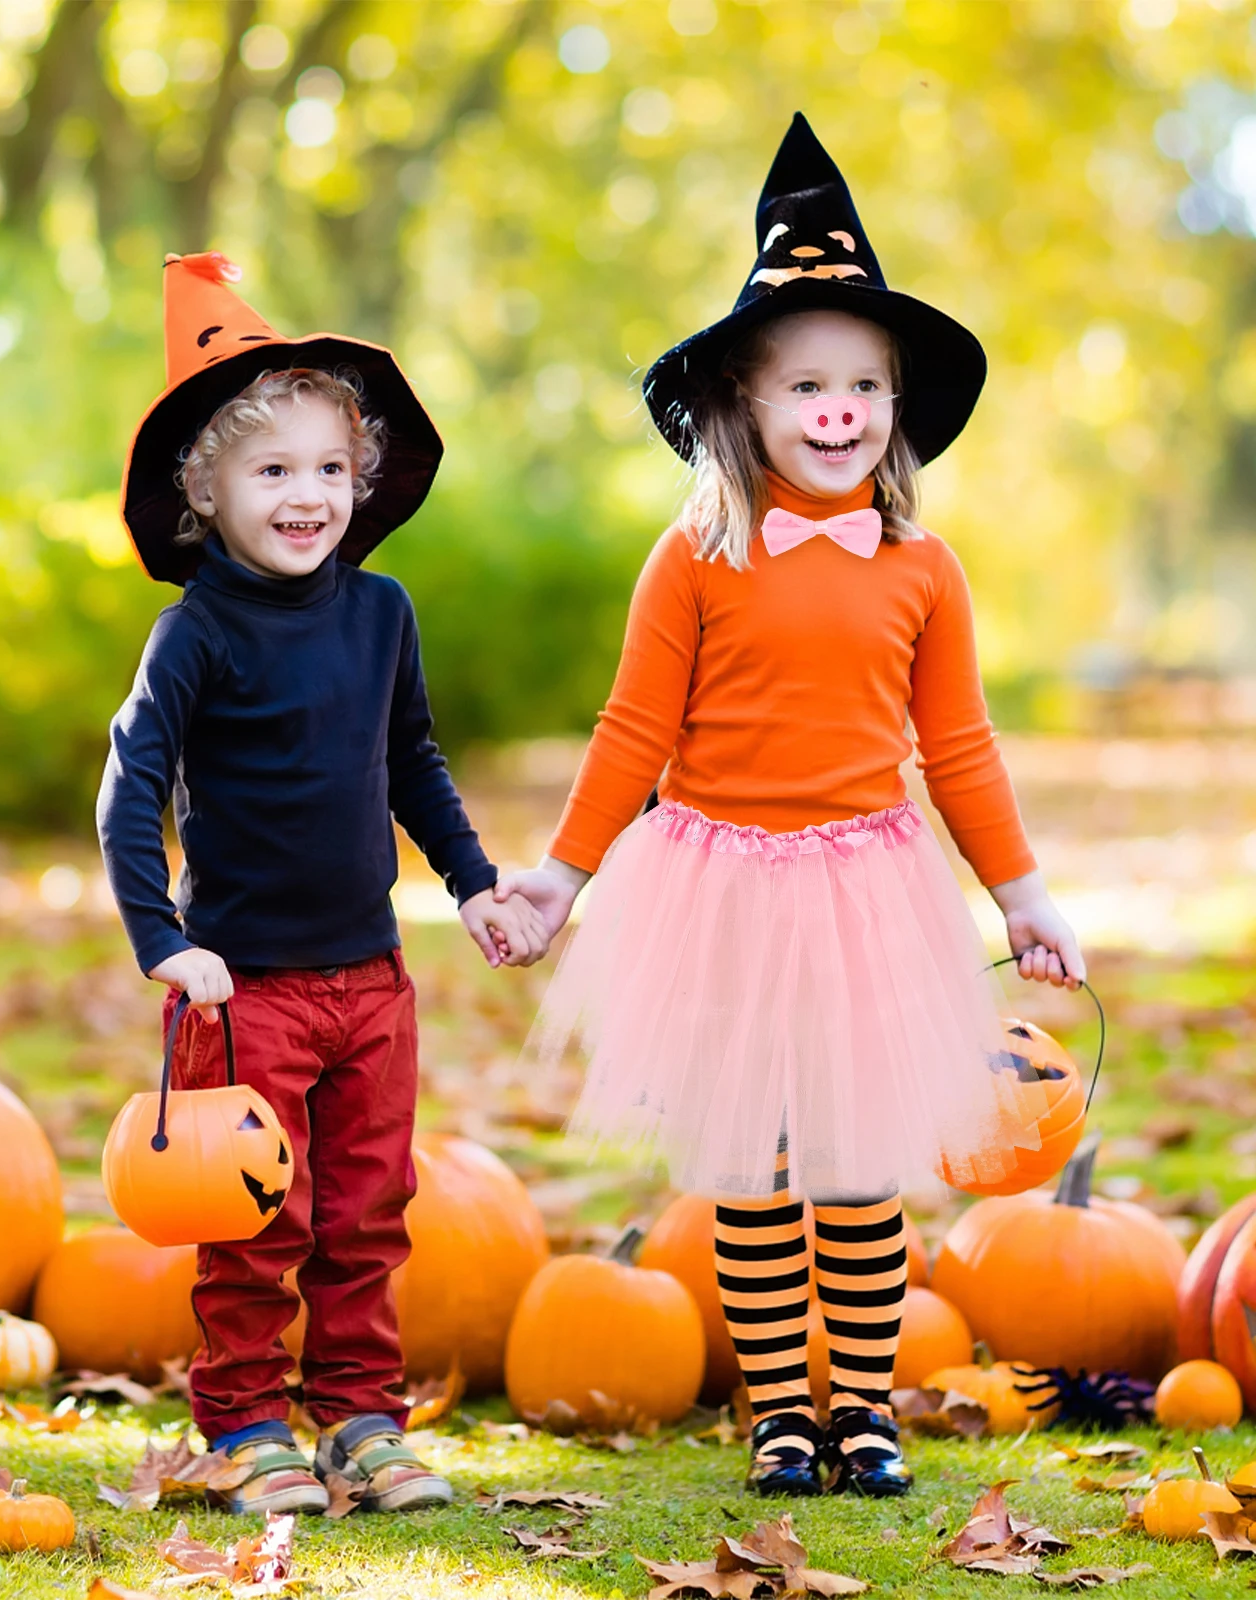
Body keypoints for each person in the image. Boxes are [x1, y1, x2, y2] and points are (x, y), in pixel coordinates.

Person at [497, 116, 1084, 1498]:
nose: (840, 409)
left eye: (865, 384)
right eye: (809, 382)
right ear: (741, 409)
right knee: (755, 1162)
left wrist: (1023, 892)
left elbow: (958, 744)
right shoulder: (693, 558)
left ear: (895, 407)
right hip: (718, 885)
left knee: (854, 1154)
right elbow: (634, 731)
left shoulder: (922, 568)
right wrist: (561, 877)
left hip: (866, 887)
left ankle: (864, 1403)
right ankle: (779, 1409)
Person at [99, 252, 545, 1515]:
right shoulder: (196, 630)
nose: (309, 496)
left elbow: (412, 761)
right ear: (206, 487)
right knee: (252, 1219)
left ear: (362, 481)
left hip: (371, 980)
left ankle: (359, 1415)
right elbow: (129, 785)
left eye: (330, 470)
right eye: (273, 469)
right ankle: (244, 1420)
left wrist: (473, 882)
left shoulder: (382, 612)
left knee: (367, 1210)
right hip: (241, 990)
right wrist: (163, 939)